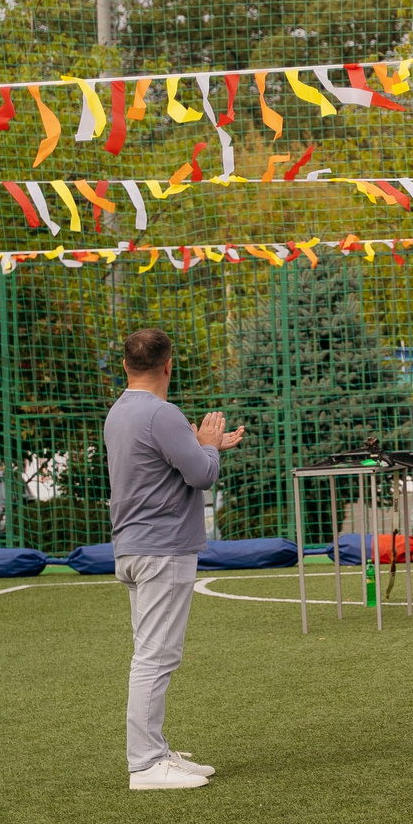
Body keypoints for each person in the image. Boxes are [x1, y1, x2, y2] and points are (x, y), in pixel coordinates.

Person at [105, 327, 245, 790]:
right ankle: (145, 763)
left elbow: (175, 463)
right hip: (162, 548)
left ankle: (155, 749)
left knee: (151, 653)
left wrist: (207, 446)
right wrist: (208, 446)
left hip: (133, 546)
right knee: (155, 657)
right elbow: (202, 475)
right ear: (169, 365)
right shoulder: (162, 413)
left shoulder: (119, 412)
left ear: (126, 366)